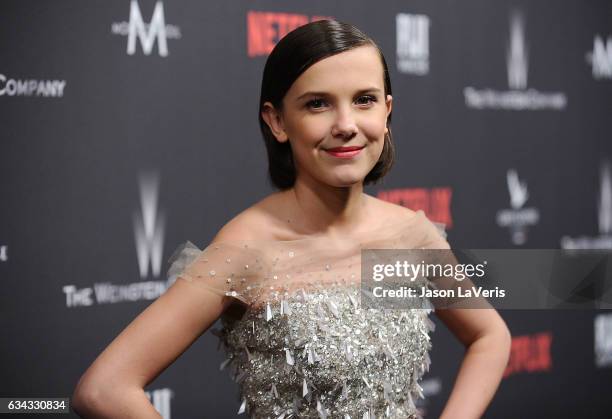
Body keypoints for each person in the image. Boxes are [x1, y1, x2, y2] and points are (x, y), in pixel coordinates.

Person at [72, 19, 511, 419]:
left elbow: (490, 337)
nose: (346, 124)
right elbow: (104, 389)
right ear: (277, 121)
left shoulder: (409, 234)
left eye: (364, 100)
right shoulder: (249, 249)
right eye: (318, 104)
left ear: (387, 111)